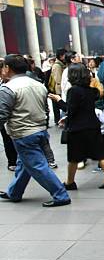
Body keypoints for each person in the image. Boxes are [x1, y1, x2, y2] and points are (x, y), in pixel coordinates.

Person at [0, 55, 70, 207]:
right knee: (24, 164)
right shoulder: (38, 84)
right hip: (40, 130)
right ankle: (14, 192)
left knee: (38, 166)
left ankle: (61, 194)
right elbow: (45, 109)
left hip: (23, 133)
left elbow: (2, 114)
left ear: (8, 68)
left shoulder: (8, 88)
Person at [48, 64, 104, 189]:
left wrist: (58, 100)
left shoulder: (73, 91)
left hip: (78, 129)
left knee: (74, 157)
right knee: (100, 153)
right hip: (93, 126)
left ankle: (69, 182)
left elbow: (70, 109)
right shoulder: (91, 90)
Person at [49, 48, 67, 125]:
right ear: (61, 56)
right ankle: (58, 120)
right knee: (58, 105)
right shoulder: (57, 66)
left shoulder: (61, 64)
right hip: (57, 89)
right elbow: (58, 80)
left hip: (59, 88)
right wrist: (61, 90)